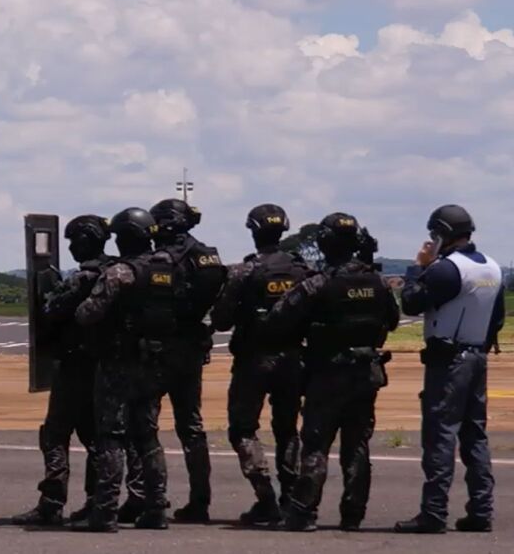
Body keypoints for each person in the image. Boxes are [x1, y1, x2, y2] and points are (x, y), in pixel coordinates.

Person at [270, 213, 399, 532]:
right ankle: (353, 513)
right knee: (357, 444)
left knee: (315, 444)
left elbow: (279, 318)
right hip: (365, 374)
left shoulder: (319, 283)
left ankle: (302, 511)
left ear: (326, 244)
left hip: (327, 373)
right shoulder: (378, 282)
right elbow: (393, 320)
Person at [394, 205, 504, 534]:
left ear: (441, 234)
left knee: (440, 435)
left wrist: (418, 268)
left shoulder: (446, 269)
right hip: (477, 355)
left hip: (449, 359)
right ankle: (481, 509)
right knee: (475, 435)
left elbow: (411, 303)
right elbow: (497, 318)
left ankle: (434, 511)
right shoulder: (493, 268)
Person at [72, 208, 173, 532]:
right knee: (149, 438)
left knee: (112, 437)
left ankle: (105, 511)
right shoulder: (167, 268)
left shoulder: (120, 273)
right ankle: (156, 507)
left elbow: (88, 313)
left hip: (119, 364)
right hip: (155, 364)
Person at [125, 197, 225, 524]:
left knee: (144, 427)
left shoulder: (158, 261)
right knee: (192, 428)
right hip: (192, 350)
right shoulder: (206, 256)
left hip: (158, 352)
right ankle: (200, 502)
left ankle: (152, 502)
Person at [210, 204, 311, 525]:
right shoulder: (302, 270)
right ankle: (291, 497)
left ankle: (265, 497)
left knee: (243, 429)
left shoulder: (244, 272)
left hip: (253, 361)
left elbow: (221, 321)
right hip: (293, 360)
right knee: (288, 430)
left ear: (253, 231)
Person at [12, 215, 111, 526]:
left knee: (55, 435)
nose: (70, 247)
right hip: (105, 367)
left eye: (73, 241)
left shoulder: (81, 278)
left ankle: (52, 503)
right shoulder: (117, 271)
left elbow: (52, 311)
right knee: (96, 438)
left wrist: (50, 288)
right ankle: (97, 501)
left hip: (75, 367)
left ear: (85, 241)